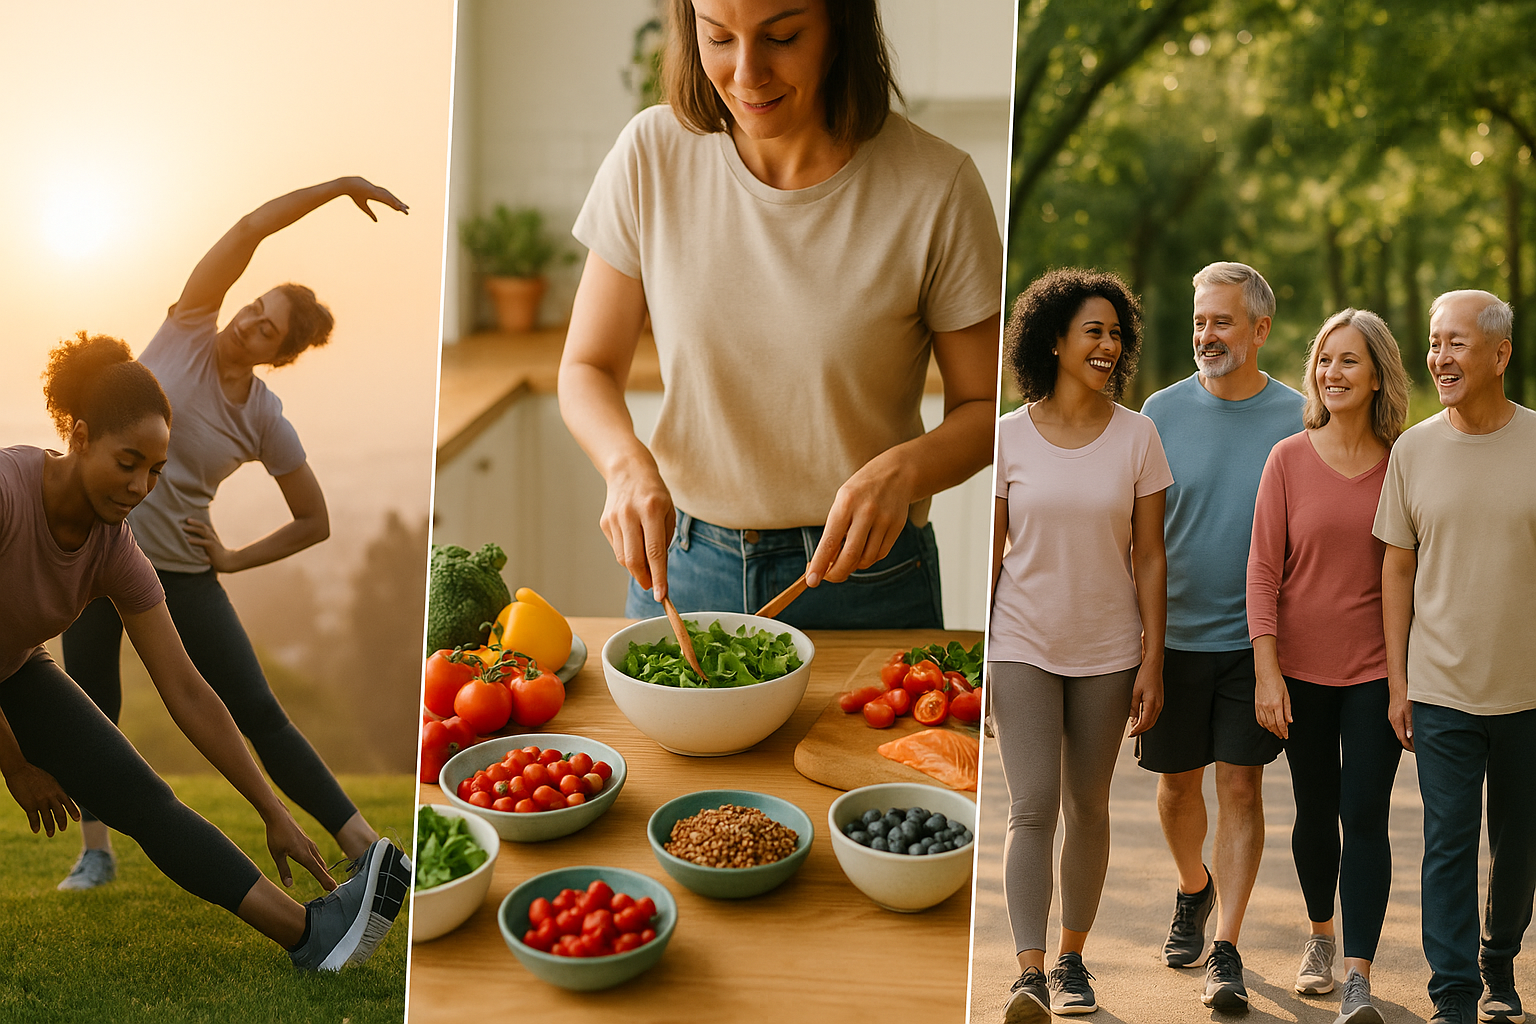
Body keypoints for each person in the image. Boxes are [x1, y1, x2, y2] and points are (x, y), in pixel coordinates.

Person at [557, 0, 1001, 628]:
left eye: (782, 37)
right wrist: (625, 466)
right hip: (684, 569)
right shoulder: (651, 154)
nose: (746, 73)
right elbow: (586, 366)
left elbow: (984, 411)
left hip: (864, 576)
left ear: (840, 25)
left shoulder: (938, 184)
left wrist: (903, 472)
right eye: (718, 38)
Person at [1, 334, 408, 969]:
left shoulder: (116, 550)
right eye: (127, 462)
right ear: (80, 437)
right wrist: (17, 765)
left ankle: (312, 935)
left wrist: (272, 811)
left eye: (155, 471)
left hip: (15, 670)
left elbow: (187, 689)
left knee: (144, 797)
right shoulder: (7, 491)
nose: (139, 487)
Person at [58, 177, 408, 890]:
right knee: (90, 701)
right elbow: (250, 227)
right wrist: (339, 186)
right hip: (97, 549)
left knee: (257, 710)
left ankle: (366, 847)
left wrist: (234, 558)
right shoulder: (187, 326)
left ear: (279, 356)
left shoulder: (263, 419)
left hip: (180, 573)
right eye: (255, 307)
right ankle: (96, 852)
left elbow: (315, 520)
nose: (249, 321)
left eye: (267, 328)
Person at [988, 269, 1170, 1021]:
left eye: (1116, 334)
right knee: (1031, 807)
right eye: (1092, 331)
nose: (1107, 345)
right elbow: (990, 558)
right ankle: (1026, 971)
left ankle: (1071, 961)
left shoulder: (1138, 435)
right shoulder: (1005, 437)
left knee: (1087, 807)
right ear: (1054, 339)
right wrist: (981, 669)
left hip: (1108, 651)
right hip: (1022, 644)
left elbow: (1152, 556)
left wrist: (1152, 659)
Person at [1136, 261, 1304, 1013]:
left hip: (1256, 641)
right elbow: (1136, 539)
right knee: (1176, 789)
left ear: (1260, 329)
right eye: (1201, 321)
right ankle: (1193, 888)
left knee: (1240, 784)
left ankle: (1227, 950)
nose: (1207, 334)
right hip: (1171, 638)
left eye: (1223, 321)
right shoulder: (1157, 414)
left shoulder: (1300, 417)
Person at [1374, 290, 1536, 1024]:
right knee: (1447, 844)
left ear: (1499, 355)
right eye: (1434, 342)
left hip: (1527, 689)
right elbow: (1396, 569)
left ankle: (1498, 959)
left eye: (1456, 343)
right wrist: (1399, 680)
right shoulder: (1413, 449)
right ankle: (1454, 996)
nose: (1438, 357)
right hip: (1439, 685)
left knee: (1519, 845)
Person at [1247, 308, 1411, 1024]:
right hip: (1301, 672)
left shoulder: (1406, 462)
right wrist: (1267, 669)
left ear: (1377, 374)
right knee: (1315, 812)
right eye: (1323, 360)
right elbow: (1261, 572)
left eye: (1348, 361)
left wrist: (1410, 680)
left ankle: (1358, 976)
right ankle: (1320, 936)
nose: (1331, 373)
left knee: (1363, 814)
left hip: (1377, 671)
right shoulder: (1287, 458)